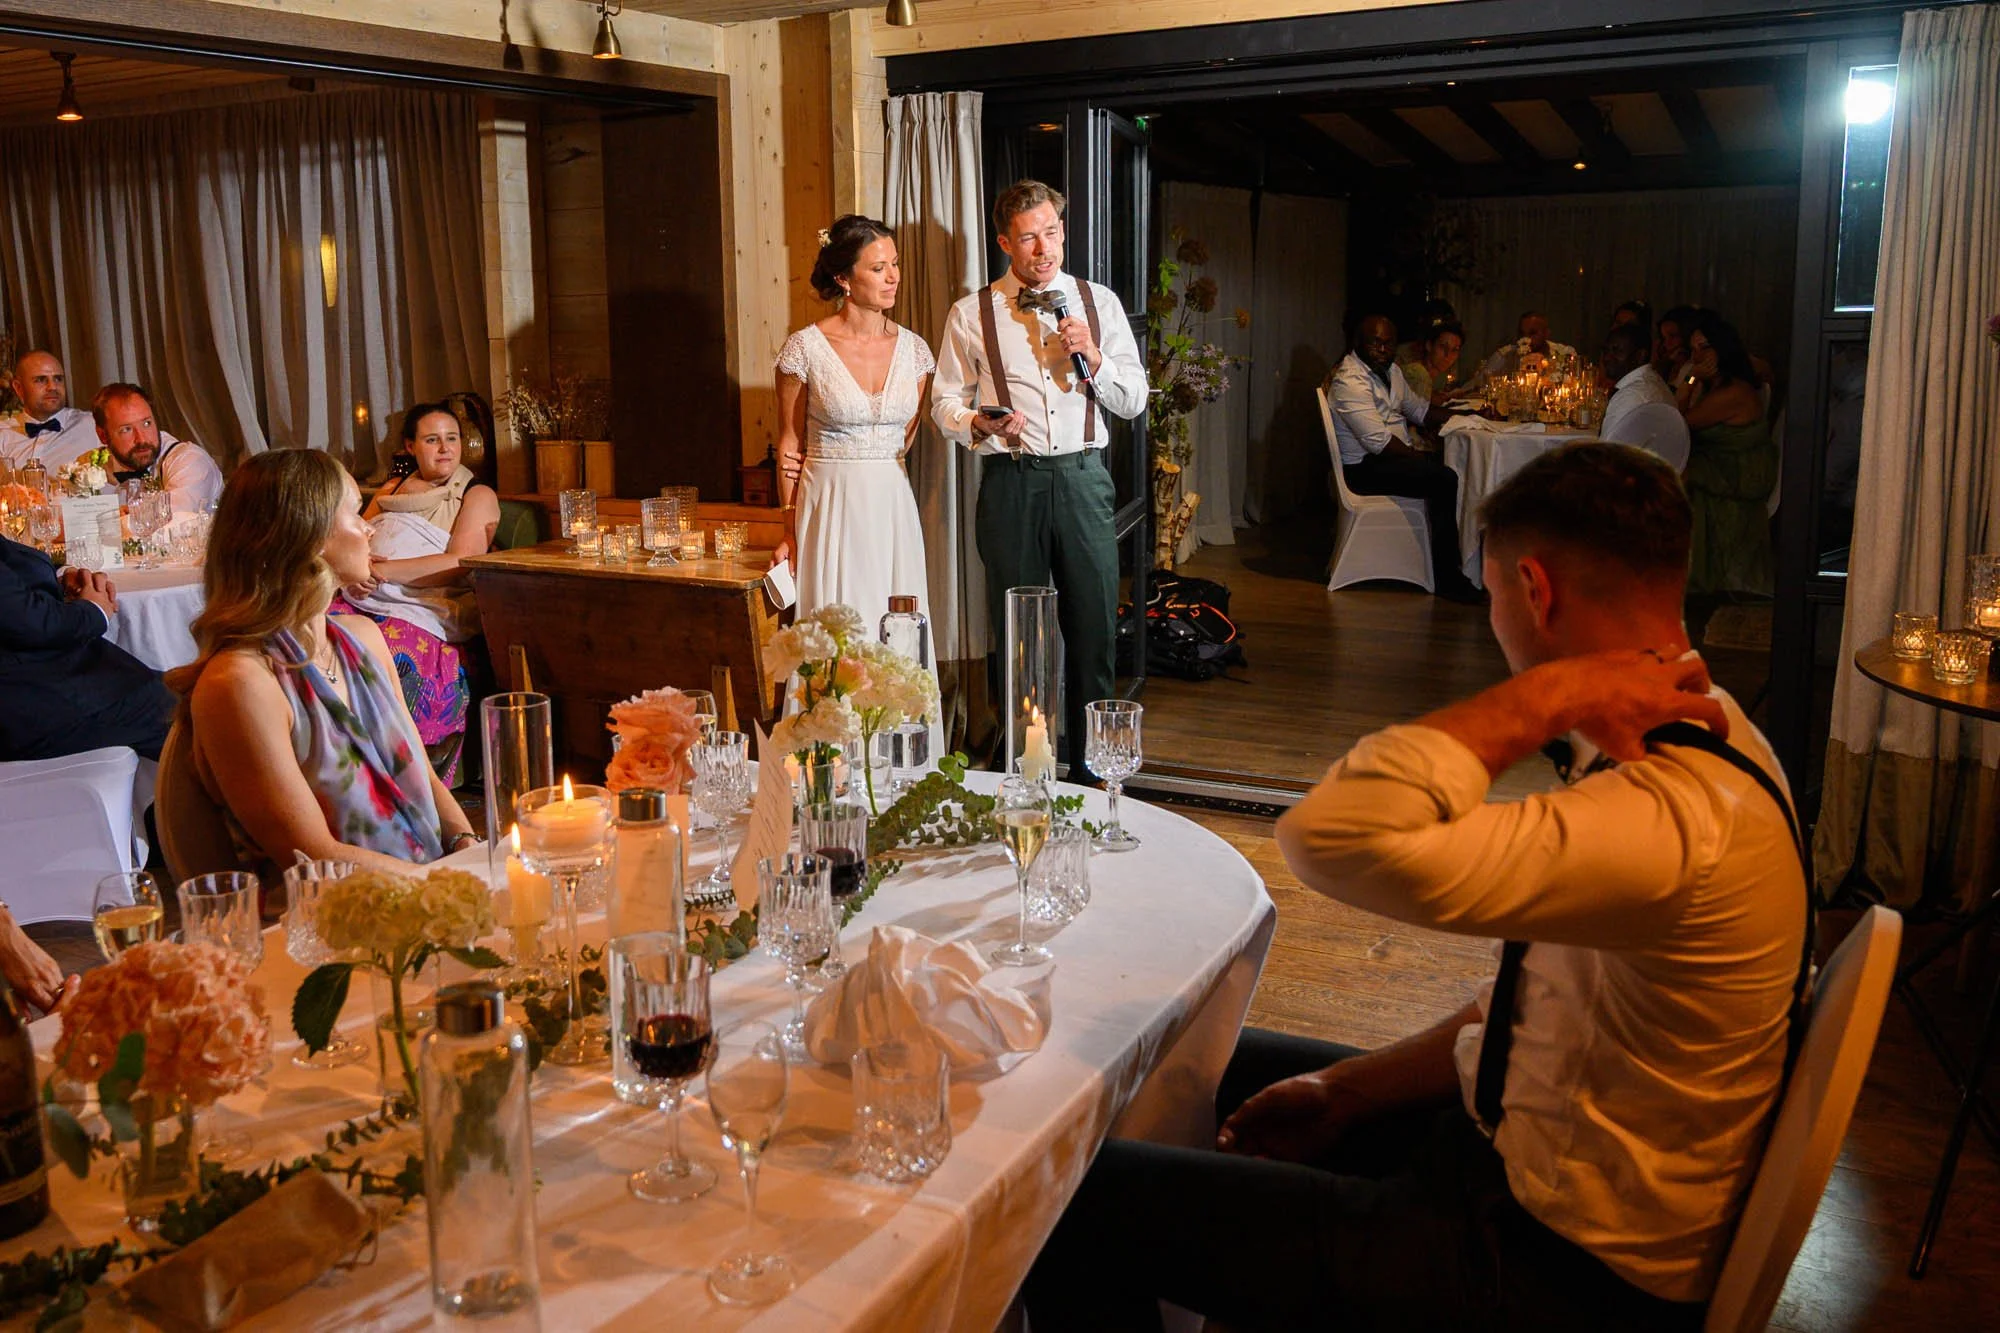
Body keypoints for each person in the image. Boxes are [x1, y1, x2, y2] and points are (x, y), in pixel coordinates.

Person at [1023, 442, 1804, 1332]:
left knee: (1062, 1199)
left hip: (1541, 1266)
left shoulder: (1669, 817)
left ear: (1534, 590)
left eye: (1493, 588)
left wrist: (1545, 698)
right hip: (1505, 1154)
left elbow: (1331, 834)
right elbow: (1521, 1006)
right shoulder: (1725, 734)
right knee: (1164, 1047)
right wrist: (1346, 1090)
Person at [165, 450, 478, 876]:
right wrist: (443, 884)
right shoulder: (241, 682)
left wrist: (467, 846)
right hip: (323, 921)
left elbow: (421, 771)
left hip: (423, 888)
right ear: (308, 537)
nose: (369, 528)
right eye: (353, 512)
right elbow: (311, 853)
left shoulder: (363, 638)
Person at [931, 180, 1147, 764]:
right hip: (1012, 484)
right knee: (1017, 632)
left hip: (1083, 480)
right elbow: (943, 403)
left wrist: (1095, 358)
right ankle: (1027, 767)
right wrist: (979, 420)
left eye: (1051, 233)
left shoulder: (1098, 303)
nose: (1044, 248)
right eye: (1029, 238)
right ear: (1006, 242)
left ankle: (1092, 768)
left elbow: (1134, 400)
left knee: (1094, 629)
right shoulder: (970, 314)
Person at [772, 216, 936, 657]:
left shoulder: (916, 352)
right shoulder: (804, 349)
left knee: (896, 635)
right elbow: (789, 445)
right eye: (879, 267)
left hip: (892, 507)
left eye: (895, 264)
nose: (894, 276)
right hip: (829, 505)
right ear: (844, 278)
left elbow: (905, 438)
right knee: (838, 636)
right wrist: (789, 529)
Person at [334, 402, 499, 785]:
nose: (445, 448)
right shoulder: (391, 489)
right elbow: (359, 535)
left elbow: (460, 560)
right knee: (319, 636)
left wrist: (381, 572)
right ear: (410, 446)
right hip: (365, 593)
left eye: (452, 438)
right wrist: (353, 569)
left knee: (386, 653)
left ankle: (399, 777)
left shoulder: (475, 493)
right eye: (432, 439)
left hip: (424, 602)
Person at [1326, 314, 1484, 603]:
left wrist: (1472, 417)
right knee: (1443, 478)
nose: (1383, 350)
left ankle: (1463, 563)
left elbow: (1420, 411)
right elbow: (1380, 444)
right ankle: (1447, 575)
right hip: (1363, 469)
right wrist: (1424, 460)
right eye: (1376, 343)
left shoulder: (1392, 371)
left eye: (1389, 344)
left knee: (1453, 467)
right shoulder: (1350, 382)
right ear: (1358, 343)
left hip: (1385, 458)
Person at [0, 529, 175, 763]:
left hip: (45, 681)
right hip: (29, 705)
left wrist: (58, 583)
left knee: (180, 692)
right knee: (187, 710)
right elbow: (32, 622)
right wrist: (94, 609)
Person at [1676, 314, 1775, 595]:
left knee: (1672, 477)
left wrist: (1691, 380)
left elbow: (1679, 424)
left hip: (1739, 471)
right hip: (1722, 462)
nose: (1698, 356)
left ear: (1722, 347)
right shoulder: (1716, 387)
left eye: (1705, 347)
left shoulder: (1733, 392)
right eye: (1693, 349)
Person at [92, 383, 224, 516]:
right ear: (103, 436)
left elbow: (171, 520)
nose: (142, 439)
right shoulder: (89, 469)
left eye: (146, 423)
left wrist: (114, 520)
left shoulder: (190, 461)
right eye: (126, 429)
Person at [1599, 323, 1690, 471]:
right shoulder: (1654, 380)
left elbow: (1606, 455)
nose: (1607, 358)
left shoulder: (1632, 395)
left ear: (1640, 355)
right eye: (1605, 351)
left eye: (1617, 351)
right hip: (1658, 476)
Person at [0, 350, 99, 469]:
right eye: (41, 380)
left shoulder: (94, 425)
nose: (52, 387)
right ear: (19, 388)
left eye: (58, 379)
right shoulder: (3, 433)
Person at [1480, 310, 1576, 379]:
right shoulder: (1505, 355)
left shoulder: (1564, 353)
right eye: (1522, 333)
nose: (1526, 339)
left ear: (1546, 333)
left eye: (1532, 333)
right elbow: (1481, 382)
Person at [1399, 319, 1466, 405]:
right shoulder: (1418, 373)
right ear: (1429, 345)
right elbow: (1422, 413)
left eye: (1454, 350)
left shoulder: (1440, 376)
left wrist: (1447, 395)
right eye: (1443, 347)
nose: (1448, 355)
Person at [1653, 305, 1700, 385]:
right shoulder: (1667, 361)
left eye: (1673, 336)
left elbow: (1687, 385)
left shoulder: (1696, 364)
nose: (1666, 344)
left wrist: (1692, 375)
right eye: (1664, 338)